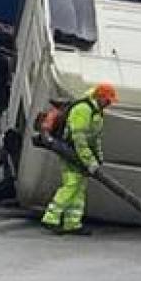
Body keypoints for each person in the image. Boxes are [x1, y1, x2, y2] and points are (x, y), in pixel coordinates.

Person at [41, 82, 118, 235]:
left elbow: (94, 139)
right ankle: (51, 218)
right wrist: (89, 161)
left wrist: (98, 157)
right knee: (71, 184)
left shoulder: (97, 113)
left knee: (79, 188)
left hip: (80, 154)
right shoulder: (83, 109)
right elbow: (79, 138)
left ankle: (72, 223)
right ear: (100, 97)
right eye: (108, 100)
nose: (109, 103)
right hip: (70, 151)